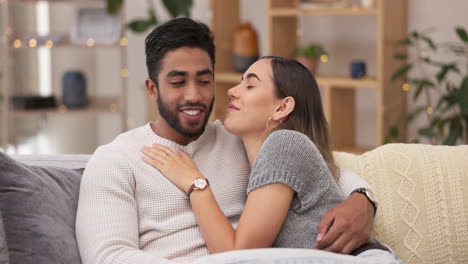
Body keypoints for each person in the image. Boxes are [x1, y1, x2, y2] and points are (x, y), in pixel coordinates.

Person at [76, 18, 377, 264]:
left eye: (204, 81)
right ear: (152, 89)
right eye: (178, 82)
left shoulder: (240, 138)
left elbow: (324, 169)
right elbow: (108, 256)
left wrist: (363, 201)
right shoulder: (116, 159)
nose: (193, 95)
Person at [142, 56, 401, 263]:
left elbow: (237, 255)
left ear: (282, 107)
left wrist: (196, 184)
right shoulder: (256, 152)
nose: (232, 91)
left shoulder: (285, 143)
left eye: (250, 85)